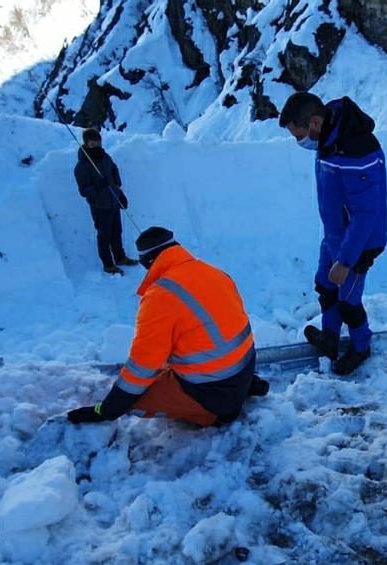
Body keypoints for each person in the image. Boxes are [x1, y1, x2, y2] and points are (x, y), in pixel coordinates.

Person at [67, 227, 266, 427]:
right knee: (167, 362)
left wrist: (108, 409)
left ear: (148, 262)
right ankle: (243, 389)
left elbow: (143, 365)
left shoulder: (160, 296)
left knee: (135, 401)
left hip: (213, 394)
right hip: (244, 372)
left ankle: (215, 414)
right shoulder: (214, 272)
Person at [279, 92, 387, 375]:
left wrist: (345, 261)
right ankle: (330, 337)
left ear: (314, 122)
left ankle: (361, 345)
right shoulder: (329, 139)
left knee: (348, 299)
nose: (299, 142)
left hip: (359, 243)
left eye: (298, 135)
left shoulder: (356, 152)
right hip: (336, 234)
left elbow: (365, 215)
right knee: (325, 285)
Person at [73, 127, 136, 274]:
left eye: (98, 143)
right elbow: (84, 190)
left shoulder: (105, 157)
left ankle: (120, 257)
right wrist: (97, 187)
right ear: (86, 144)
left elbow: (113, 173)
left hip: (113, 202)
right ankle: (108, 264)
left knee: (117, 232)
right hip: (100, 206)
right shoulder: (82, 166)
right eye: (92, 144)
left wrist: (119, 193)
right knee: (104, 235)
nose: (96, 146)